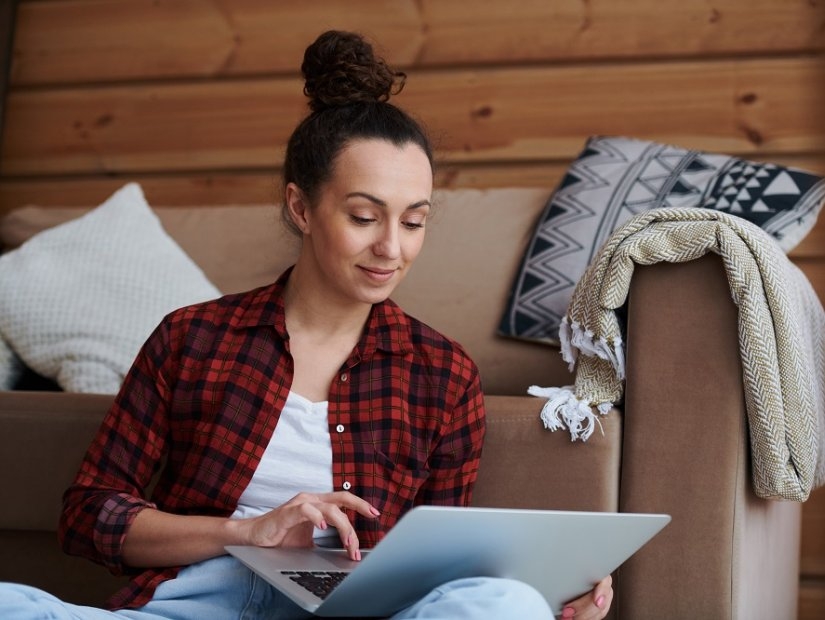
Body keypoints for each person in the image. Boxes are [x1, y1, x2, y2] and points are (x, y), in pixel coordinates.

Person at [0, 30, 612, 619]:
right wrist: (248, 532)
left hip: (355, 611)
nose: (391, 248)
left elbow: (439, 576)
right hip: (203, 604)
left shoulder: (442, 375)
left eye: (414, 221)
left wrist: (548, 600)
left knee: (507, 604)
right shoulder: (194, 339)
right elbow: (88, 515)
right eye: (365, 216)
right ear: (301, 207)